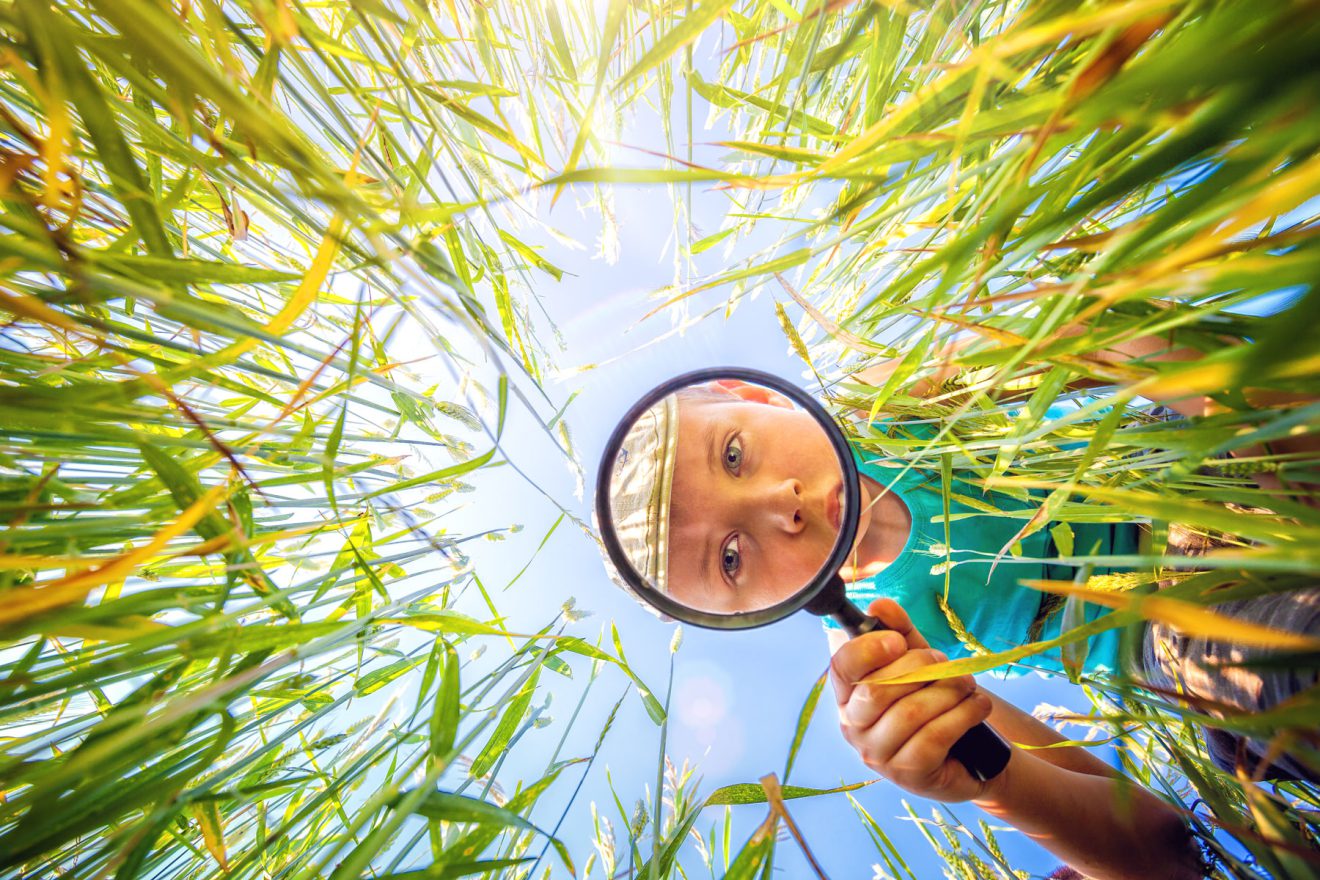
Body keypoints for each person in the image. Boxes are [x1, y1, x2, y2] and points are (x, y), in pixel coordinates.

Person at [601, 331, 1319, 880]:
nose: (777, 504)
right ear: (748, 613)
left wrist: (1224, 400)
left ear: (756, 396)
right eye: (730, 557)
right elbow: (1163, 854)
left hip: (1196, 454)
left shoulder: (893, 405)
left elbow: (1103, 339)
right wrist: (985, 776)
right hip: (1181, 634)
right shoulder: (885, 658)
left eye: (734, 454)